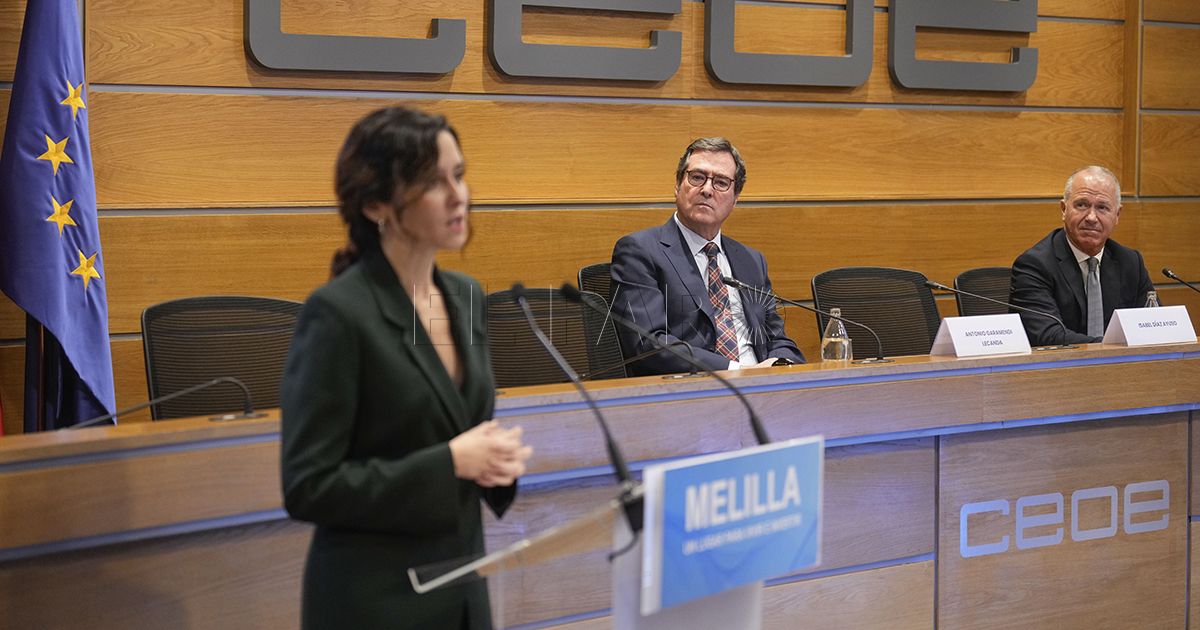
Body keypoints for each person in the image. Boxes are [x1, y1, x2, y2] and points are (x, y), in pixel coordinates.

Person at [280, 106, 533, 630]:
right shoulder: (338, 313)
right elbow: (309, 485)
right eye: (434, 182)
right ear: (376, 204)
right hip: (375, 601)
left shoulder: (465, 297)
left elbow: (459, 428)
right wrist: (451, 462)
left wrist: (493, 464)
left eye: (459, 175)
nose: (458, 195)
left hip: (461, 594)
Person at [610, 137, 805, 376]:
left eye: (721, 182)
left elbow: (777, 338)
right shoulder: (640, 251)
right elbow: (649, 344)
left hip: (764, 386)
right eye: (697, 177)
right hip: (693, 388)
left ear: (735, 198)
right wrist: (739, 371)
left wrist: (781, 364)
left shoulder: (751, 260)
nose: (707, 190)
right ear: (677, 185)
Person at [1010, 165, 1152, 346]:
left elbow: (1152, 324)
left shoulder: (1131, 262)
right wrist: (1111, 348)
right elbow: (1048, 335)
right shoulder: (1034, 265)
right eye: (1082, 205)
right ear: (1064, 209)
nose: (1091, 217)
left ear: (1117, 215)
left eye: (1102, 207)